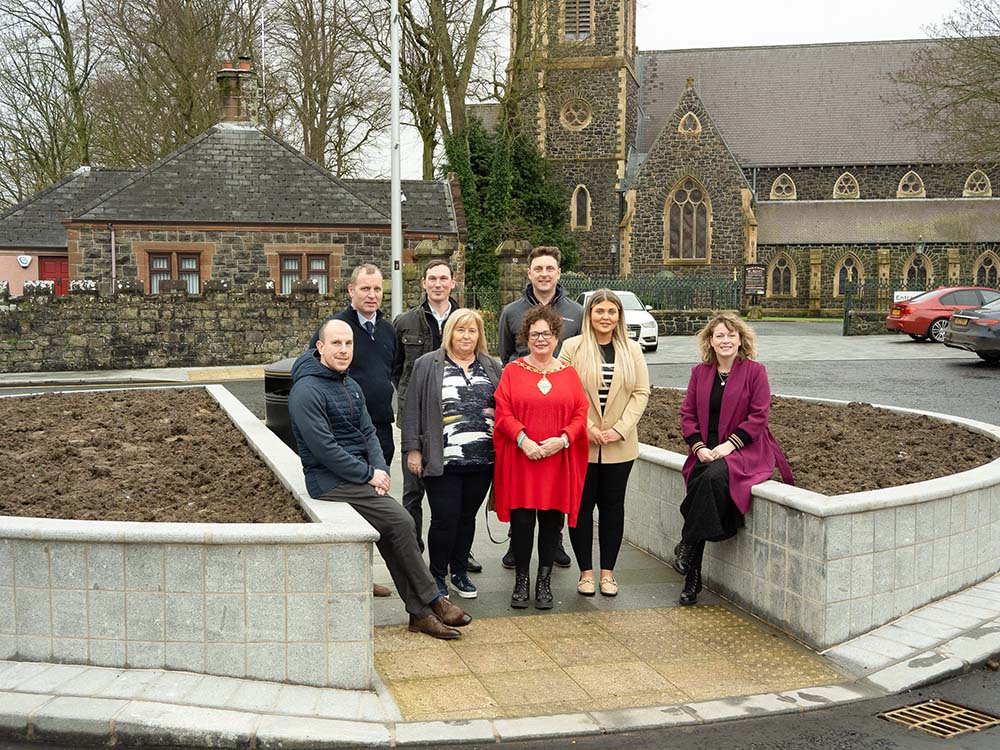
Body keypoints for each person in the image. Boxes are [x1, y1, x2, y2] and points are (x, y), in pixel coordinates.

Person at [289, 319, 472, 639]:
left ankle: (419, 614)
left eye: (348, 343)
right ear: (320, 348)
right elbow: (325, 450)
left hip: (356, 478)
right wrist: (367, 474)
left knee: (393, 529)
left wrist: (380, 470)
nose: (344, 350)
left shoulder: (349, 384)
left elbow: (368, 433)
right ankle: (433, 600)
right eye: (336, 344)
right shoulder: (306, 390)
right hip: (327, 482)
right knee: (401, 522)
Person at [675, 313, 793, 605]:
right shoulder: (699, 373)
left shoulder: (755, 372)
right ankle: (692, 573)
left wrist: (729, 446)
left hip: (746, 450)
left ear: (740, 340)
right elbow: (687, 414)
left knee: (710, 477)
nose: (725, 340)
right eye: (719, 336)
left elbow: (759, 417)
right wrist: (699, 447)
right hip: (707, 451)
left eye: (731, 335)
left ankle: (688, 550)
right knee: (703, 477)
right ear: (710, 341)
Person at [401, 309, 503, 600]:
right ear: (449, 333)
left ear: (479, 335)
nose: (466, 336)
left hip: (482, 459)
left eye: (472, 331)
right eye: (460, 330)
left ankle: (459, 572)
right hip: (442, 458)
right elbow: (412, 410)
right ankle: (437, 574)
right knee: (445, 518)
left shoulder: (492, 366)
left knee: (466, 517)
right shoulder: (427, 364)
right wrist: (413, 450)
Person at [493, 305, 589, 610]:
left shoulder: (569, 374)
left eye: (546, 333)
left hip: (556, 460)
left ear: (556, 336)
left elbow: (580, 414)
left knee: (551, 524)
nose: (541, 339)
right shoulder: (512, 371)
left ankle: (544, 582)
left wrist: (561, 441)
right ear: (526, 337)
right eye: (534, 334)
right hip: (523, 459)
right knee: (522, 524)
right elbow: (502, 411)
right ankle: (521, 581)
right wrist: (523, 439)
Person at [391, 260, 481, 572]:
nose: (438, 284)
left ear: (453, 283)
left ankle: (459, 553)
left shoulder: (466, 320)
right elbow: (397, 369)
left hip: (457, 429)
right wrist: (411, 400)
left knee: (456, 501)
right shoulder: (405, 322)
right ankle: (414, 553)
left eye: (444, 278)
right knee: (413, 492)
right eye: (432, 279)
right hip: (417, 423)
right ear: (424, 283)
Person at [496, 246, 583, 569]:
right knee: (521, 495)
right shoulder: (511, 311)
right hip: (523, 407)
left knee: (552, 494)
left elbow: (580, 355)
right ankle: (516, 545)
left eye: (550, 268)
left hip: (558, 404)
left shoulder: (576, 311)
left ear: (558, 272)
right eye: (538, 269)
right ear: (529, 273)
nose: (544, 274)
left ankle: (554, 542)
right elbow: (506, 358)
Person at [559, 290, 650, 598]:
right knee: (581, 508)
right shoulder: (572, 348)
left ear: (619, 317)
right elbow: (563, 394)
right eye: (600, 311)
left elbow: (640, 393)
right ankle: (585, 572)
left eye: (612, 311)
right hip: (582, 445)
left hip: (619, 446)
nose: (606, 317)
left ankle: (608, 573)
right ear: (589, 315)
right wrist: (585, 428)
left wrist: (620, 429)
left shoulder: (632, 350)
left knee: (612, 508)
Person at [311, 264, 396, 466]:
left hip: (381, 426)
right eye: (365, 289)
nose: (372, 295)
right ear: (351, 290)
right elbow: (314, 371)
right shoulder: (334, 329)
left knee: (379, 487)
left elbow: (394, 371)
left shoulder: (388, 331)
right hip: (346, 427)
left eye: (377, 289)